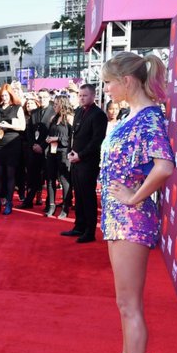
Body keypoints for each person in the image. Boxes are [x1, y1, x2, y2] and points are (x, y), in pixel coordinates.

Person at [98, 51, 173, 353]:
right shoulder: (132, 116)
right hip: (117, 218)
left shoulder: (149, 118)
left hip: (132, 220)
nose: (106, 88)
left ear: (127, 81)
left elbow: (164, 167)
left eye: (109, 82)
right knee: (123, 303)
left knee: (130, 306)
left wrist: (133, 197)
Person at [60, 84, 107, 243]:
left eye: (85, 95)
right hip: (75, 159)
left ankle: (89, 231)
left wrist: (80, 155)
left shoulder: (99, 114)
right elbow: (74, 135)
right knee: (78, 195)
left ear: (93, 96)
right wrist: (70, 152)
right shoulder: (79, 111)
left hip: (88, 161)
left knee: (87, 196)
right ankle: (79, 226)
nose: (81, 98)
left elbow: (96, 141)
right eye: (80, 95)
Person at [0, 84, 26, 215]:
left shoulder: (17, 108)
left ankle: (9, 202)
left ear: (10, 95)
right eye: (2, 95)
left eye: (6, 95)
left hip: (13, 142)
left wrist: (8, 125)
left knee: (10, 174)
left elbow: (22, 127)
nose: (4, 97)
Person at [21, 89, 54, 209]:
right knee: (32, 177)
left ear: (49, 98)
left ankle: (49, 204)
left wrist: (42, 146)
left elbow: (52, 131)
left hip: (47, 150)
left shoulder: (54, 111)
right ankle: (28, 201)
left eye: (44, 97)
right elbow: (29, 131)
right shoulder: (34, 112)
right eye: (40, 97)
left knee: (48, 178)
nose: (42, 99)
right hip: (34, 150)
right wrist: (33, 145)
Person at [44, 95, 74, 219]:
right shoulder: (53, 118)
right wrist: (48, 139)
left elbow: (71, 138)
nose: (54, 106)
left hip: (64, 152)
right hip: (52, 150)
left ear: (62, 104)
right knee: (50, 179)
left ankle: (65, 207)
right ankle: (51, 205)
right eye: (54, 104)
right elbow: (49, 133)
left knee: (64, 180)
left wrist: (57, 138)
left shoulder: (69, 118)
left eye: (56, 104)